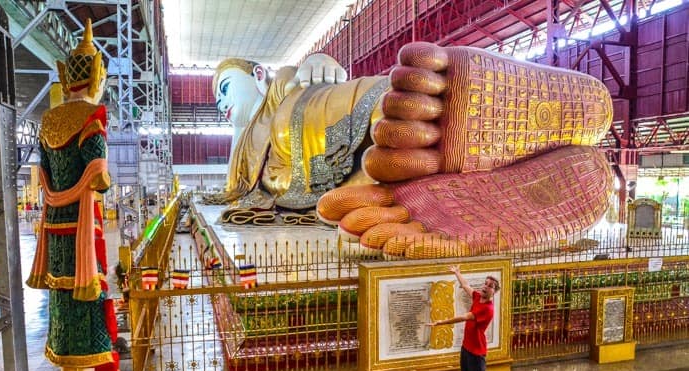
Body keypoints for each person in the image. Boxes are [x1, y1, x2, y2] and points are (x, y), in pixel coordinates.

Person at [212, 42, 613, 257]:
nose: (222, 104)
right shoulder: (243, 154)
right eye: (217, 102)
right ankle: (448, 171)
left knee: (400, 108)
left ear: (258, 75)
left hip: (318, 121)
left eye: (226, 88)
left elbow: (297, 79)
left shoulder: (277, 87)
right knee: (382, 183)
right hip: (345, 177)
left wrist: (316, 59)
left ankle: (430, 113)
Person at [26, 19, 119, 371]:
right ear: (96, 77)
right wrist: (100, 184)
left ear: (67, 79)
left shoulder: (48, 121)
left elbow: (44, 175)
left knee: (61, 298)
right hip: (83, 224)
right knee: (88, 297)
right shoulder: (91, 118)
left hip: (55, 226)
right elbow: (98, 175)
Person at [427, 264, 500, 371]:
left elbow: (463, 317)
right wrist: (457, 273)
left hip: (477, 351)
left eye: (490, 286)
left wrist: (440, 322)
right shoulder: (477, 298)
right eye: (485, 283)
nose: (486, 286)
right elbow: (466, 287)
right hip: (467, 347)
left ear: (494, 292)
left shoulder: (487, 309)